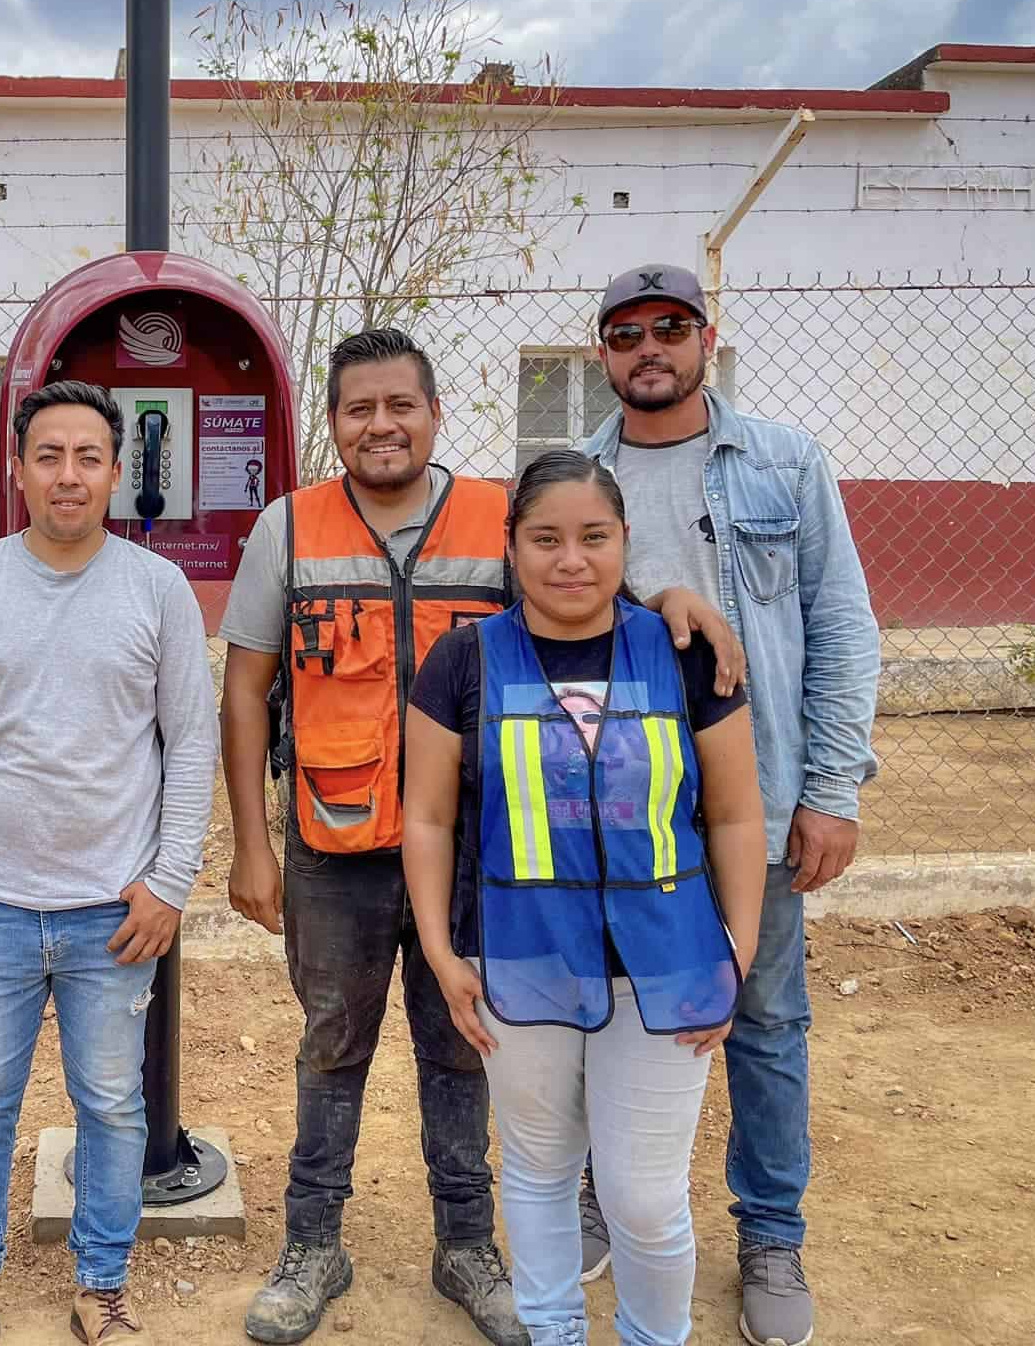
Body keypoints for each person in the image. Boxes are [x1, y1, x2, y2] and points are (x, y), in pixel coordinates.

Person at [219, 328, 742, 1346]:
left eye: (399, 406)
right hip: (332, 845)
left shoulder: (492, 520)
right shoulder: (287, 529)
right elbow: (244, 687)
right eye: (358, 409)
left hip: (476, 856)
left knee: (463, 1044)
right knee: (330, 1044)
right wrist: (251, 840)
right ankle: (311, 1243)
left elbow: (580, 594)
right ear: (330, 425)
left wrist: (673, 596)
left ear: (433, 412)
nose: (380, 426)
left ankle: (466, 1244)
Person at [403, 449, 768, 1346]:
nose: (571, 560)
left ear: (625, 542)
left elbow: (733, 814)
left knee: (645, 1198)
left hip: (665, 961)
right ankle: (554, 1331)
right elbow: (427, 819)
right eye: (546, 539)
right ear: (512, 547)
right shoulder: (462, 661)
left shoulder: (682, 651)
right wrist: (446, 955)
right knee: (537, 1167)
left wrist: (739, 949)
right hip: (517, 958)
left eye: (593, 538)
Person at [578, 263, 880, 1346]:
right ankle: (593, 1198)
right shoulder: (578, 476)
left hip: (754, 798)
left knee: (759, 1019)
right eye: (624, 333)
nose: (647, 348)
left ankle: (768, 1232)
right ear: (601, 352)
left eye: (668, 328)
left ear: (706, 338)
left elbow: (840, 627)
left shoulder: (782, 464)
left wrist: (832, 790)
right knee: (598, 1006)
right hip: (611, 810)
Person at [0, 380, 217, 1346]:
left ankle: (102, 1287)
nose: (68, 476)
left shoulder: (156, 589)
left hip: (111, 913)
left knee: (113, 1107)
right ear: (18, 467)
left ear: (120, 471)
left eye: (88, 458)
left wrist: (168, 885)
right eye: (49, 456)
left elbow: (190, 743)